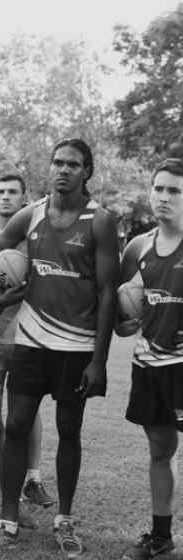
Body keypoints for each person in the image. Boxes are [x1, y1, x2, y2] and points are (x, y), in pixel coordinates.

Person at [0, 138, 119, 558]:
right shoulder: (32, 213)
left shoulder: (100, 222)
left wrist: (100, 361)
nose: (63, 170)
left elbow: (109, 293)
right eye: (57, 163)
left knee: (69, 431)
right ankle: (7, 523)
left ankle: (65, 521)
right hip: (31, 343)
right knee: (15, 426)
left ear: (87, 171)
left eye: (73, 164)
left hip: (76, 348)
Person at [117, 157, 183, 560]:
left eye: (174, 190)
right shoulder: (138, 246)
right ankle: (161, 537)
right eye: (158, 189)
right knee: (160, 449)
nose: (163, 197)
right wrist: (127, 322)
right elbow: (126, 319)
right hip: (149, 365)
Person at [0, 173, 54, 508]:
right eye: (0, 191)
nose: (5, 197)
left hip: (26, 337)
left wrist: (3, 320)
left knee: (29, 410)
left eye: (12, 192)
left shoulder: (34, 237)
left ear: (24, 198)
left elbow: (38, 289)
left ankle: (33, 479)